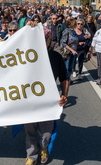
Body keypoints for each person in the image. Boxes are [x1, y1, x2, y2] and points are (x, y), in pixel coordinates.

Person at [24, 26, 69, 165]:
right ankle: (31, 156)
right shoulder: (22, 56)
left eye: (44, 38)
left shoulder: (55, 57)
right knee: (30, 131)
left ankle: (44, 149)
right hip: (28, 101)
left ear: (49, 40)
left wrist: (64, 95)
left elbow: (64, 77)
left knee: (46, 132)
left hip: (48, 101)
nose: (40, 41)